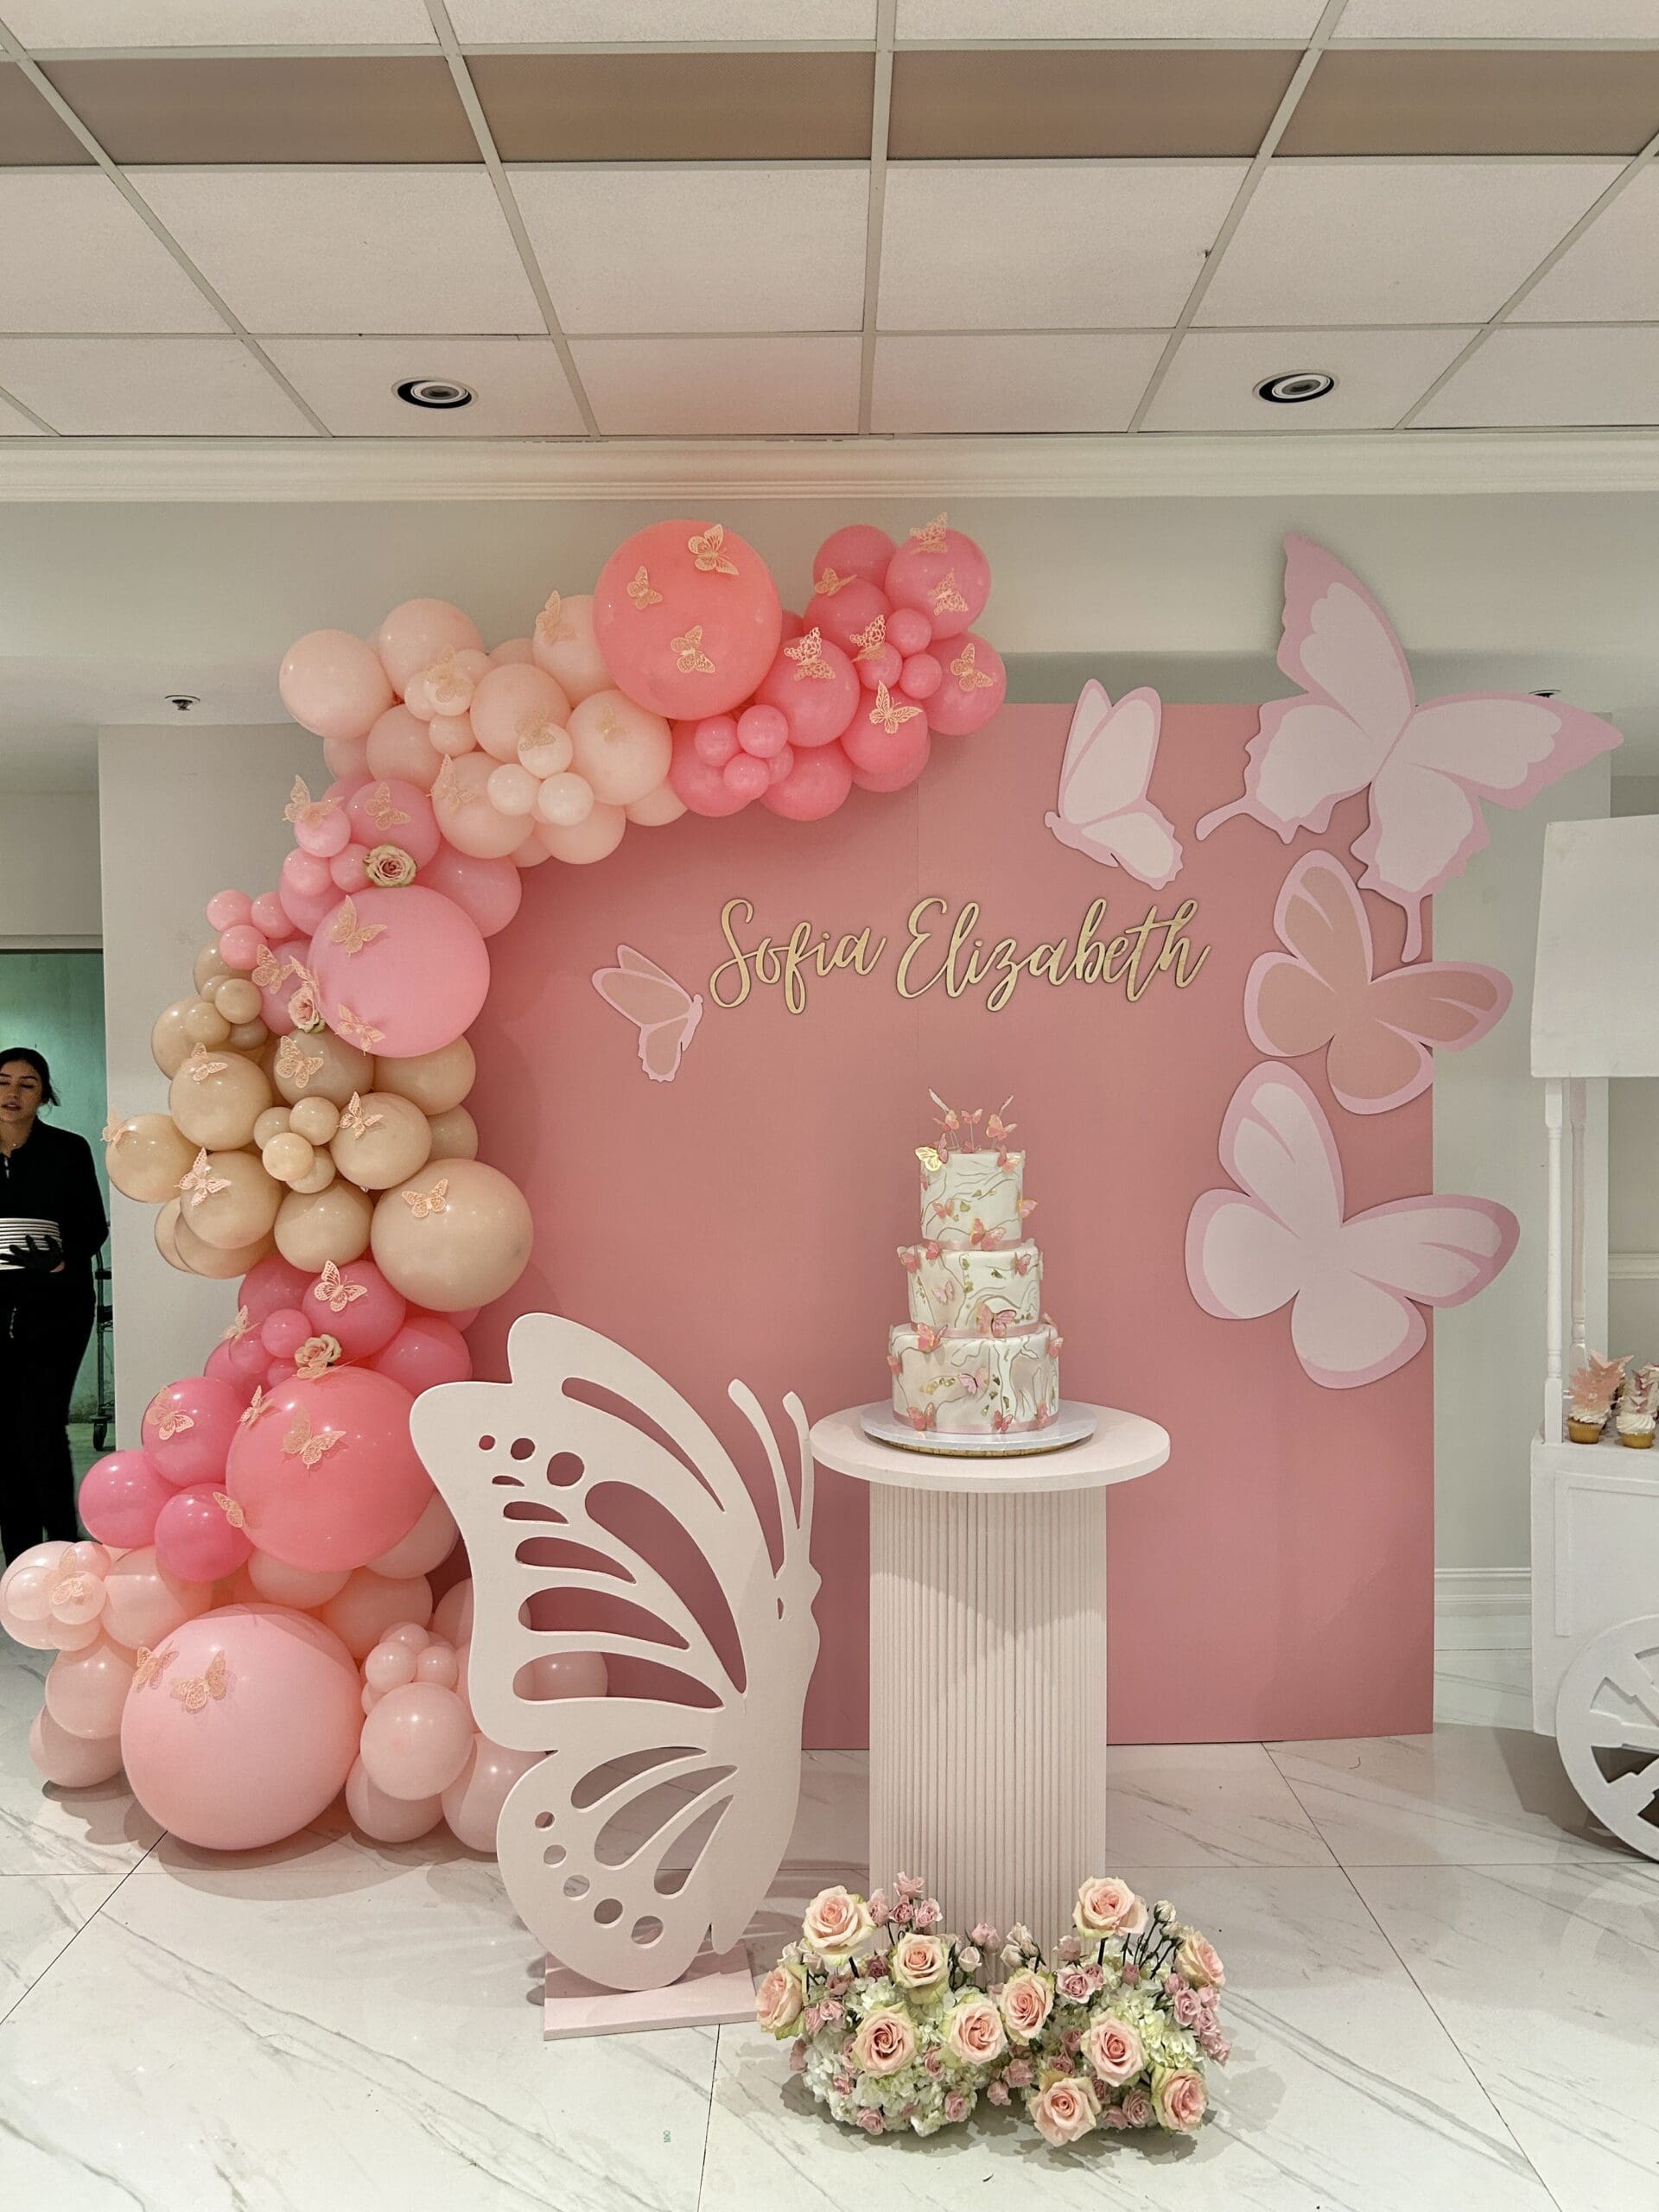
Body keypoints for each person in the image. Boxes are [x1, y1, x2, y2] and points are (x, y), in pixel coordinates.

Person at [0, 1046, 108, 1562]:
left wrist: (60, 1260)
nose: (12, 1093)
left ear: (44, 1093)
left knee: (40, 1425)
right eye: (2, 1081)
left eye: (27, 1083)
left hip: (59, 1305)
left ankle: (65, 1547)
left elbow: (93, 1226)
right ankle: (20, 1555)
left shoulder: (69, 1149)